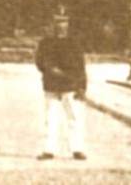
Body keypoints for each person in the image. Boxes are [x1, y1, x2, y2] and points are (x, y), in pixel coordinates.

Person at [34, 10, 87, 161]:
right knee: (50, 117)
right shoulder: (46, 43)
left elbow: (81, 66)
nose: (61, 25)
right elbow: (39, 61)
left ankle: (77, 149)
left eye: (64, 22)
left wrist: (82, 87)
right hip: (52, 84)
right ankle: (49, 149)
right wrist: (49, 70)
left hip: (71, 84)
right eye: (58, 22)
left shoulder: (74, 43)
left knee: (74, 117)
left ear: (68, 24)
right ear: (53, 24)